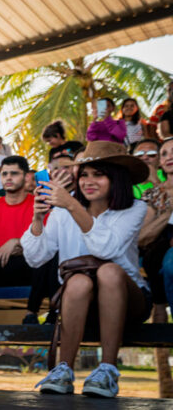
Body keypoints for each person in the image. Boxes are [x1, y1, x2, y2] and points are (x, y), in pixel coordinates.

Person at [23, 141, 151, 398]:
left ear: (116, 178)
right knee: (79, 280)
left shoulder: (135, 209)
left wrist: (72, 205)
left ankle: (108, 370)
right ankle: (63, 369)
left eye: (98, 174)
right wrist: (37, 218)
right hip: (78, 300)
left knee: (108, 271)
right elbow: (37, 258)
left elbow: (107, 250)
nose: (88, 181)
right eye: (84, 175)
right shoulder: (61, 210)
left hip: (127, 301)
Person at [0, 156, 57, 325]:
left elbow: (49, 244)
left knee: (48, 256)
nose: (8, 177)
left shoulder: (40, 204)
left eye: (14, 173)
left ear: (26, 177)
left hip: (31, 268)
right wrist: (2, 250)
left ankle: (31, 314)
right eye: (4, 174)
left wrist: (18, 242)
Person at [138, 137, 173, 333]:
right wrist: (166, 212)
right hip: (161, 251)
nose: (169, 157)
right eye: (164, 153)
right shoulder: (154, 193)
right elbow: (142, 236)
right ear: (160, 162)